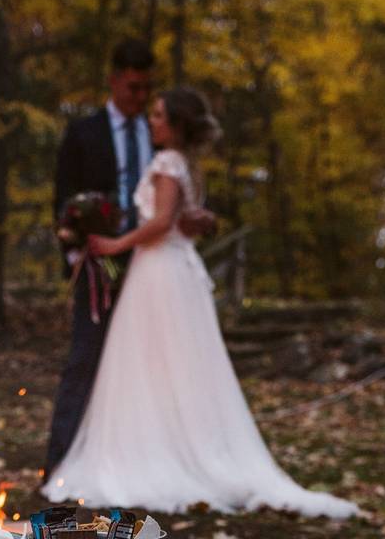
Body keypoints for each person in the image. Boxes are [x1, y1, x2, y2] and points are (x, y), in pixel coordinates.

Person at [40, 87, 359, 517]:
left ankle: (162, 455)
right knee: (170, 364)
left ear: (174, 125)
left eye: (158, 115)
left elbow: (162, 222)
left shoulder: (168, 162)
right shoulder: (182, 163)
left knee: (156, 362)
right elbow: (182, 225)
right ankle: (166, 444)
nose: (151, 121)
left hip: (159, 272)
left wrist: (117, 245)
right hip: (167, 270)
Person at [45, 39, 214, 482]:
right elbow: (63, 201)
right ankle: (61, 462)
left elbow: (166, 210)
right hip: (101, 262)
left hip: (148, 265)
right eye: (133, 88)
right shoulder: (83, 133)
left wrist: (187, 221)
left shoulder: (159, 138)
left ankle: (149, 457)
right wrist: (77, 251)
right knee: (86, 359)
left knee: (147, 363)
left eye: (148, 91)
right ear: (115, 79)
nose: (140, 99)